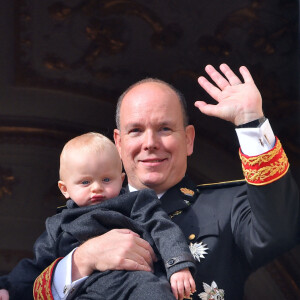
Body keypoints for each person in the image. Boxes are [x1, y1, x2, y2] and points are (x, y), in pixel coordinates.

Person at [23, 63, 300, 299]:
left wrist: (251, 122)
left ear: (189, 139)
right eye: (136, 130)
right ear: (118, 143)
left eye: (165, 128)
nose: (150, 143)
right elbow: (23, 289)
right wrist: (83, 260)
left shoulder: (226, 207)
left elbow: (279, 230)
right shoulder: (72, 218)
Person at [0, 133, 197, 300]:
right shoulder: (58, 225)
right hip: (90, 291)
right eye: (85, 182)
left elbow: (162, 228)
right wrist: (7, 288)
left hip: (139, 281)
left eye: (106, 179)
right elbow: (35, 268)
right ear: (65, 189)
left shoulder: (137, 202)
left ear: (121, 180)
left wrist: (178, 265)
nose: (97, 188)